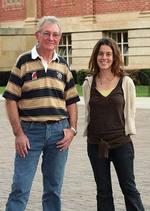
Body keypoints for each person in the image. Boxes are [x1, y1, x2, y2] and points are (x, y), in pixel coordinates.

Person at [3, 16, 80, 211]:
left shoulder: (63, 65)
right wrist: (18, 133)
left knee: (53, 189)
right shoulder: (23, 61)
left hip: (59, 133)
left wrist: (72, 129)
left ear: (59, 38)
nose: (51, 38)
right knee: (20, 187)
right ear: (38, 35)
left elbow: (71, 101)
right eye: (47, 33)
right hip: (30, 133)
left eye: (55, 35)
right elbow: (11, 98)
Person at [83, 37, 145, 211]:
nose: (104, 57)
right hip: (96, 145)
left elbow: (130, 112)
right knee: (103, 192)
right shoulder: (88, 83)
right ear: (96, 57)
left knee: (129, 190)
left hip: (121, 144)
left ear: (115, 56)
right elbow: (89, 112)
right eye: (101, 54)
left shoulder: (126, 82)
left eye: (108, 54)